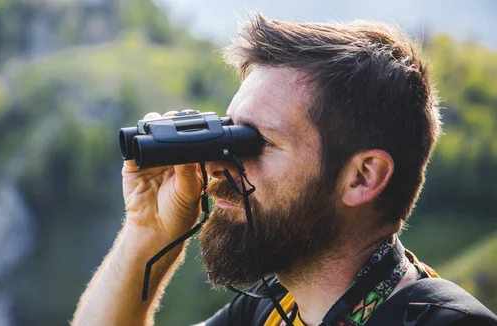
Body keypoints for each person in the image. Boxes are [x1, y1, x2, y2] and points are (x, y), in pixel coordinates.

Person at [71, 12, 497, 326]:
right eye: (229, 133)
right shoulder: (272, 309)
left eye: (257, 142)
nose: (220, 166)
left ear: (362, 177)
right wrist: (146, 233)